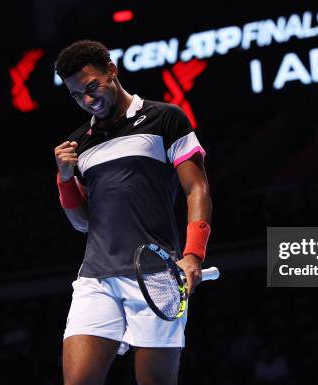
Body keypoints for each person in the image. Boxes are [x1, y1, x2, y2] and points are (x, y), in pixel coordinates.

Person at [53, 40, 213, 385]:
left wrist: (193, 256)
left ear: (112, 71)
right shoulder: (79, 144)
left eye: (91, 87)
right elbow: (82, 222)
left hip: (157, 277)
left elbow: (196, 188)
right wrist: (65, 179)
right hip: (96, 278)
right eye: (76, 95)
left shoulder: (165, 118)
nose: (87, 100)